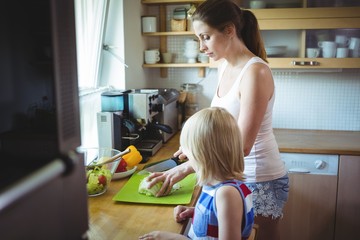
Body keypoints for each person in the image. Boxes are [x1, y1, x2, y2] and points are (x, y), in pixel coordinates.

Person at [146, 0, 289, 240]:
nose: (201, 46)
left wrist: (189, 166)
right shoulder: (223, 65)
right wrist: (193, 147)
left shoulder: (255, 72)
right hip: (227, 175)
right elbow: (222, 125)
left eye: (206, 37)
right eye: (198, 39)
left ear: (230, 30)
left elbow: (241, 146)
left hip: (258, 178)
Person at [139, 107, 254, 240]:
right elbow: (221, 218)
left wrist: (174, 238)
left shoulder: (226, 194)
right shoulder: (214, 184)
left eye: (186, 151)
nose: (183, 157)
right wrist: (197, 212)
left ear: (201, 155)